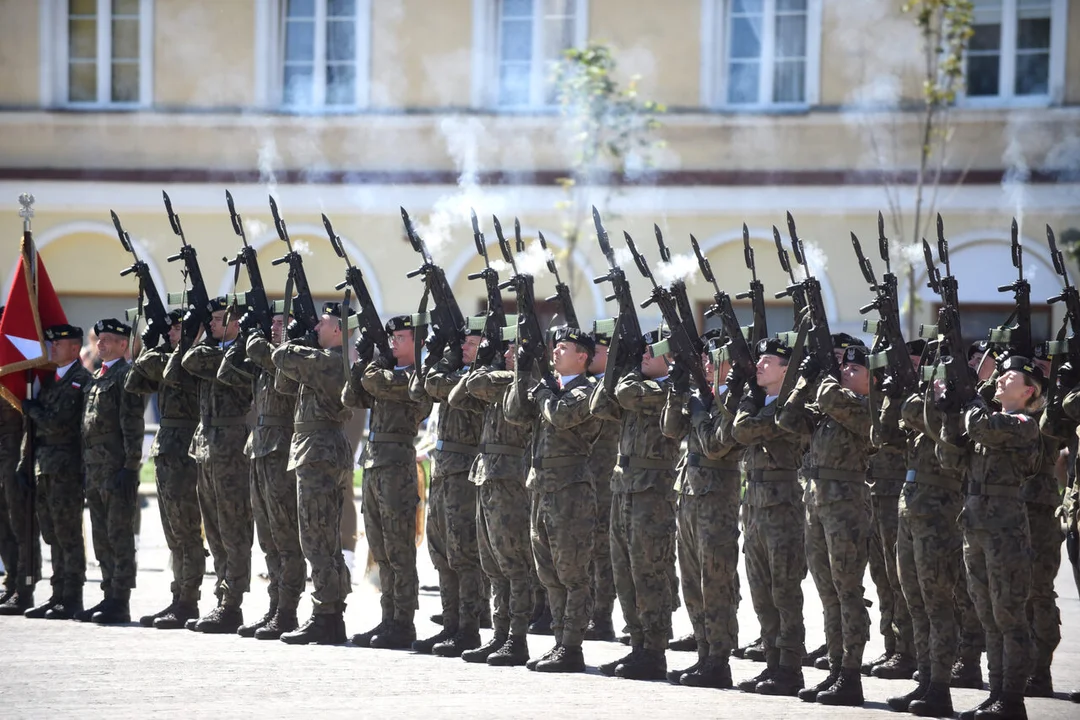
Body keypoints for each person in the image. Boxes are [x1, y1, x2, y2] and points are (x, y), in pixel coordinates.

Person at [779, 343, 873, 707]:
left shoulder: (866, 409)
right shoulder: (831, 408)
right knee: (828, 592)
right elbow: (787, 418)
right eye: (842, 369)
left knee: (847, 590)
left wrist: (825, 375)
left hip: (846, 505)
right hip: (817, 502)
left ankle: (851, 673)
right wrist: (804, 379)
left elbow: (834, 398)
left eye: (854, 370)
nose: (846, 374)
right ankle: (835, 669)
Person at [505, 326, 601, 673]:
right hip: (541, 488)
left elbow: (561, 417)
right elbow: (514, 414)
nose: (556, 352)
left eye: (564, 348)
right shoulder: (550, 387)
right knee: (548, 574)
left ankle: (572, 646)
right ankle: (560, 641)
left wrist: (543, 388)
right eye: (554, 347)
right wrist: (522, 370)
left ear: (583, 357)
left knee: (572, 572)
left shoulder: (589, 391)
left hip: (571, 491)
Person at [953, 356, 1043, 720]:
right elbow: (952, 452)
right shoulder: (986, 418)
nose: (1001, 377)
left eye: (1011, 375)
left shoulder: (1022, 424)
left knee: (1008, 614)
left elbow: (982, 427)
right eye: (1001, 373)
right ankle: (995, 692)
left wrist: (973, 396)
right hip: (975, 522)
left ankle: (1012, 698)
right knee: (987, 614)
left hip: (1004, 527)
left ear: (1028, 391)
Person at [590, 329, 681, 681]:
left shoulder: (668, 390)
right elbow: (600, 404)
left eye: (650, 351)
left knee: (649, 572)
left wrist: (625, 372)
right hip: (625, 487)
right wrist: (619, 364)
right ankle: (638, 645)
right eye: (640, 351)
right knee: (624, 572)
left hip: (652, 492)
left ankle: (655, 651)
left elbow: (626, 394)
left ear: (670, 358)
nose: (643, 356)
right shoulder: (636, 386)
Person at [343, 315, 432, 649]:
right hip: (375, 463)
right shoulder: (382, 372)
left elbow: (377, 385)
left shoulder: (415, 377)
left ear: (417, 342)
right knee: (379, 547)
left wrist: (370, 366)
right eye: (390, 336)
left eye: (401, 337)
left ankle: (403, 623)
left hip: (397, 465)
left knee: (399, 550)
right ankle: (388, 618)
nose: (393, 341)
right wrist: (361, 360)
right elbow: (351, 397)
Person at [661, 337, 744, 689]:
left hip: (716, 501)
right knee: (693, 582)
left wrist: (700, 411)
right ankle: (703, 653)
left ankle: (719, 661)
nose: (708, 365)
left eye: (715, 360)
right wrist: (678, 392)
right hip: (691, 495)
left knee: (716, 583)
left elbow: (715, 445)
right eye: (706, 360)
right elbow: (669, 428)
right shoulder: (702, 396)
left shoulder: (735, 400)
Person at [271, 302, 355, 645]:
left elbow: (280, 358)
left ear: (338, 329)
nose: (316, 329)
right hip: (317, 449)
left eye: (321, 325)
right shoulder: (321, 362)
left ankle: (326, 614)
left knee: (317, 538)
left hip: (319, 451)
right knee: (323, 538)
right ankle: (331, 616)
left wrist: (294, 341)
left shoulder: (333, 361)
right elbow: (283, 384)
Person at [730, 338, 809, 694]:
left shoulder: (793, 407)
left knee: (785, 592)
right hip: (757, 506)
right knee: (762, 593)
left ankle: (790, 668)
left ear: (786, 369)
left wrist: (748, 398)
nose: (759, 365)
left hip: (783, 507)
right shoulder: (767, 403)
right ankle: (772, 664)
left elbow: (744, 429)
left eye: (768, 360)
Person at [218, 310, 303, 640]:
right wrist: (241, 338)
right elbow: (227, 372)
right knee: (268, 538)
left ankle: (287, 611)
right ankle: (274, 606)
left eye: (283, 322)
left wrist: (253, 339)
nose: (275, 327)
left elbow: (267, 359)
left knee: (285, 538)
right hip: (259, 449)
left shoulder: (294, 358)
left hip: (281, 451)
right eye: (273, 322)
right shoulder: (265, 357)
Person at [170, 298, 253, 633]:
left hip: (231, 443)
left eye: (219, 319)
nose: (214, 325)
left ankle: (232, 604)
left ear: (236, 322)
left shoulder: (243, 351)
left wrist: (211, 342)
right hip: (205, 445)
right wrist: (196, 331)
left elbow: (211, 366)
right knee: (215, 528)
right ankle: (221, 596)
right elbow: (182, 365)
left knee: (233, 527)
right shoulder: (207, 350)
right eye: (211, 320)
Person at [453, 336, 533, 666]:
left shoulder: (526, 384)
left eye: (515, 348)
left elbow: (487, 385)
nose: (509, 354)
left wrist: (493, 369)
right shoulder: (497, 382)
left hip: (509, 480)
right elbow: (459, 396)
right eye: (506, 349)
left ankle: (517, 638)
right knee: (492, 565)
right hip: (486, 475)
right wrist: (480, 361)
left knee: (513, 564)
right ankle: (499, 635)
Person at [125, 311, 205, 630]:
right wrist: (147, 346)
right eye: (170, 328)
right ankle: (178, 596)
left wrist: (175, 347)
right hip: (166, 448)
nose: (172, 333)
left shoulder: (197, 357)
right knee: (173, 531)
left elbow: (174, 372)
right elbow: (135, 382)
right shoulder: (170, 355)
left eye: (178, 328)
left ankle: (188, 600)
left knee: (187, 530)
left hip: (187, 448)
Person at [408, 324, 485, 656]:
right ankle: (450, 625)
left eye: (471, 343)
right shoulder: (456, 372)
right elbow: (420, 391)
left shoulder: (483, 378)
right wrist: (437, 354)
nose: (465, 348)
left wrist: (448, 360)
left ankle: (468, 629)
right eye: (462, 342)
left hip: (464, 472)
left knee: (463, 553)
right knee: (441, 552)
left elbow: (444, 388)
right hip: (443, 468)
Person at [17, 324, 91, 619]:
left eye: (59, 345)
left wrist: (31, 408)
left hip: (66, 468)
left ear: (75, 348)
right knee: (52, 533)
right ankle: (57, 594)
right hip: (44, 466)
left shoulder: (79, 380)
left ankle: (71, 597)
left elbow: (59, 423)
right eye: (52, 344)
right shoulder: (50, 381)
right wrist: (26, 463)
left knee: (67, 533)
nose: (53, 349)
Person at [76, 318, 145, 624]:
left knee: (119, 534)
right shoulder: (96, 376)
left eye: (108, 340)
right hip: (95, 468)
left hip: (115, 466)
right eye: (99, 339)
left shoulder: (125, 375)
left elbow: (132, 425)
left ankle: (120, 600)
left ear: (122, 344)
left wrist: (130, 467)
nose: (101, 344)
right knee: (101, 534)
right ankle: (107, 594)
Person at [0, 304, 42, 616]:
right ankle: (11, 580)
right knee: (2, 522)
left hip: (17, 451)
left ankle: (24, 587)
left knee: (20, 521)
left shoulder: (17, 360)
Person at [584, 327, 618, 642]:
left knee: (602, 550)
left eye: (598, 350)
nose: (591, 354)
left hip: (605, 479)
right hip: (585, 477)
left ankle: (602, 616)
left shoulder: (613, 387)